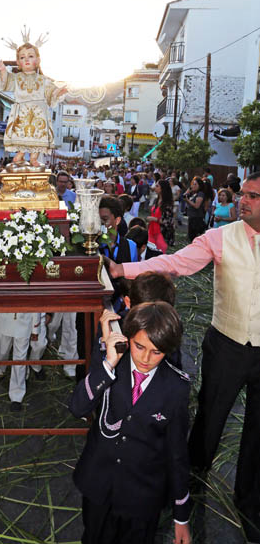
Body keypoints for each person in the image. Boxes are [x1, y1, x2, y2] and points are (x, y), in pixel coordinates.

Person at [107, 171, 260, 542]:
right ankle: (188, 488)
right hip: (227, 345)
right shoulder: (220, 238)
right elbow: (175, 263)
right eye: (244, 193)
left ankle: (249, 501)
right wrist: (123, 269)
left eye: (253, 196)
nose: (243, 200)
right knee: (210, 418)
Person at [70, 302, 191, 544]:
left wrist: (181, 517)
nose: (146, 358)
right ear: (127, 338)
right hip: (99, 487)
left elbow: (176, 454)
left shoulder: (176, 387)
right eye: (139, 346)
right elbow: (77, 407)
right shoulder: (111, 362)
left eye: (157, 352)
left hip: (143, 497)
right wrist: (108, 363)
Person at [0, 36, 67, 167]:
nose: (26, 59)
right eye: (22, 57)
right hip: (22, 112)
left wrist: (58, 92)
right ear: (18, 62)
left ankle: (34, 158)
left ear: (38, 60)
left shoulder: (43, 79)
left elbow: (50, 92)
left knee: (37, 135)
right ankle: (19, 156)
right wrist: (2, 71)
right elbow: (5, 84)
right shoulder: (16, 78)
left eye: (30, 56)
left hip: (39, 112)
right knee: (22, 133)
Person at [0, 312, 46, 412]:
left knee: (20, 360)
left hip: (24, 322)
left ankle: (16, 396)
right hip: (3, 320)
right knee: (1, 351)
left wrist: (35, 328)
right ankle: (0, 369)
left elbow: (35, 303)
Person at [147, 180, 174, 254]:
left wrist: (154, 219)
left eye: (157, 186)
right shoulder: (157, 200)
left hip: (161, 233)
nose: (155, 187)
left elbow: (168, 221)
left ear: (162, 188)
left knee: (159, 254)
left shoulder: (168, 203)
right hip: (151, 231)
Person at [183, 176, 205, 242]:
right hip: (191, 216)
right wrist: (188, 191)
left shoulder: (200, 194)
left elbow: (196, 206)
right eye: (192, 184)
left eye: (195, 184)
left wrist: (187, 200)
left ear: (200, 186)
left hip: (197, 218)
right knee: (190, 236)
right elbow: (183, 196)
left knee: (194, 237)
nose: (193, 186)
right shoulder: (193, 194)